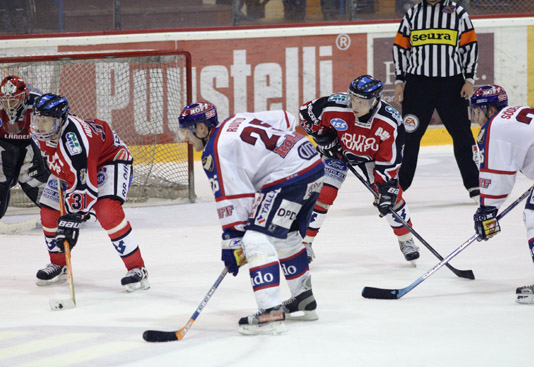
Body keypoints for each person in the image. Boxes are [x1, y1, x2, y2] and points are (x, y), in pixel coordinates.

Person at [178, 102, 324, 335]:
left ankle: (270, 312)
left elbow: (235, 197)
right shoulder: (237, 119)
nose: (185, 137)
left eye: (187, 131)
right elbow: (286, 119)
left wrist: (234, 239)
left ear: (202, 128)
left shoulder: (214, 150)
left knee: (255, 239)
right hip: (312, 163)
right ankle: (303, 299)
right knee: (285, 235)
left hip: (289, 176)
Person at [30, 93, 149, 292]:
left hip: (109, 160)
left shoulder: (75, 144)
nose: (40, 125)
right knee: (48, 213)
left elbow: (85, 186)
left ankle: (137, 269)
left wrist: (74, 217)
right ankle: (59, 265)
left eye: (46, 121)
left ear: (60, 120)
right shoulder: (45, 130)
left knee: (107, 211)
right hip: (73, 168)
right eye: (38, 119)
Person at [299, 75, 420, 263]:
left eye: (361, 102)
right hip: (336, 154)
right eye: (352, 98)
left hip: (370, 159)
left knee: (390, 198)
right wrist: (323, 137)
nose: (354, 105)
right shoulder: (335, 106)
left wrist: (386, 187)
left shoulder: (390, 122)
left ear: (374, 101)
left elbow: (390, 159)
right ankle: (305, 243)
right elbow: (305, 113)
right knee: (322, 194)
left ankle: (406, 240)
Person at [392, 0, 480, 202]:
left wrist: (469, 79)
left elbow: (470, 46)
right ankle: (398, 185)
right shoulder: (413, 14)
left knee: (462, 135)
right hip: (417, 85)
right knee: (408, 136)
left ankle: (474, 184)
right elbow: (400, 47)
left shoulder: (458, 13)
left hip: (452, 85)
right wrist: (399, 81)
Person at [471, 84, 534, 304]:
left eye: (477, 112)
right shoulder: (515, 114)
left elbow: (498, 174)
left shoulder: (494, 128)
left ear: (490, 110)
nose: (475, 118)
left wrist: (487, 210)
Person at [0, 75, 49, 227]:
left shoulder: (40, 105)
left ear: (24, 96)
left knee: (55, 208)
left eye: (12, 100)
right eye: (4, 100)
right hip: (1, 154)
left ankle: (65, 208)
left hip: (31, 153)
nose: (8, 105)